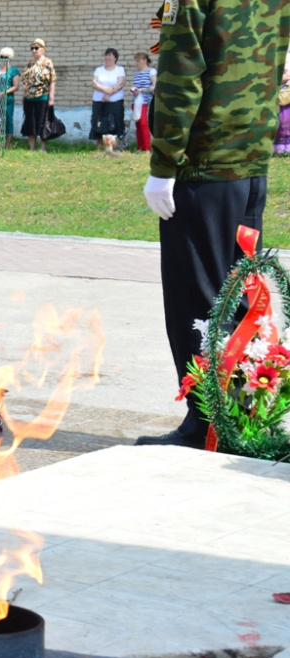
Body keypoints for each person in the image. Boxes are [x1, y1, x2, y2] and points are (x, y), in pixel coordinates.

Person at [138, 0, 289, 449]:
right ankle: (241, 417)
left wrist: (164, 163)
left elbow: (181, 75)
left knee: (200, 299)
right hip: (250, 163)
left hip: (204, 165)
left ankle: (206, 424)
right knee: (240, 298)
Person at [21, 38, 57, 152]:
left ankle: (42, 147)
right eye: (32, 48)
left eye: (36, 48)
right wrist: (23, 96)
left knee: (42, 122)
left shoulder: (47, 63)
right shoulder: (29, 64)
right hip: (29, 98)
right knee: (30, 123)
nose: (34, 50)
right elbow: (25, 82)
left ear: (43, 49)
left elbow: (52, 80)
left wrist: (51, 98)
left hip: (42, 97)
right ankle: (32, 147)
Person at [90, 48, 126, 148]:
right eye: (106, 55)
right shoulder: (99, 70)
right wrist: (105, 89)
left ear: (115, 58)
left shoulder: (120, 69)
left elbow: (120, 84)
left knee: (115, 122)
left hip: (115, 102)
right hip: (99, 101)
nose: (107, 57)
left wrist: (108, 94)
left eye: (110, 55)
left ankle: (115, 146)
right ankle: (100, 145)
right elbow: (94, 83)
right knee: (98, 121)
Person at [0, 48, 21, 149]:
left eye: (6, 57)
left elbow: (16, 86)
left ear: (10, 58)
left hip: (7, 100)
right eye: (2, 57)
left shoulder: (13, 70)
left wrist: (5, 92)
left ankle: (7, 144)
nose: (3, 59)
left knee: (8, 121)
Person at [131, 52, 157, 152]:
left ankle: (147, 148)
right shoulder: (136, 73)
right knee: (138, 125)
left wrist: (144, 90)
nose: (136, 63)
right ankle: (140, 147)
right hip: (136, 101)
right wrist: (134, 90)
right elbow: (135, 86)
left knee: (143, 124)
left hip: (146, 102)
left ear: (145, 60)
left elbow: (155, 86)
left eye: (138, 61)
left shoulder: (151, 71)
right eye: (135, 61)